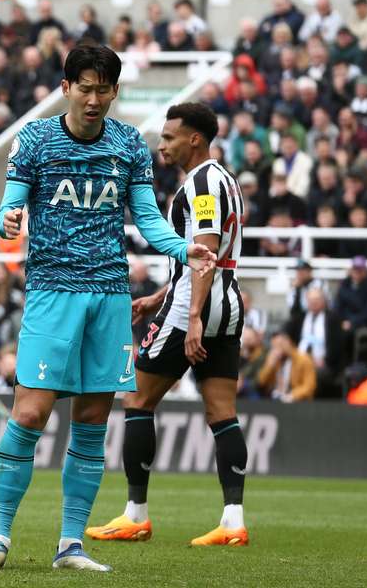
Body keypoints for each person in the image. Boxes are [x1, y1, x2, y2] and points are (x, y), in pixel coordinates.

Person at [0, 44, 216, 573]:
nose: (94, 98)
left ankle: (71, 544)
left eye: (104, 88)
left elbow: (147, 220)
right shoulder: (34, 138)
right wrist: (8, 220)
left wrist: (181, 247)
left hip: (108, 294)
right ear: (66, 88)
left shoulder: (129, 145)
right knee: (30, 413)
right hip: (51, 291)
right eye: (85, 87)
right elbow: (9, 205)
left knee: (92, 420)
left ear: (115, 91)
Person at [88, 103, 248, 548]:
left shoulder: (201, 184)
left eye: (170, 137)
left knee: (138, 401)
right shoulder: (227, 180)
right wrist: (159, 295)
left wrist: (191, 316)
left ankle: (135, 514)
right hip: (227, 302)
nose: (162, 144)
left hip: (194, 306)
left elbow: (205, 250)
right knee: (222, 412)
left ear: (194, 139)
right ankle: (233, 521)